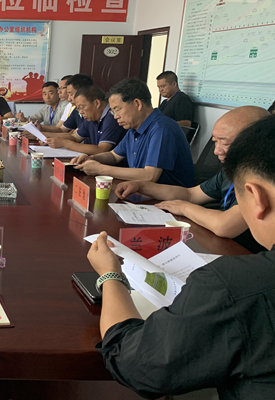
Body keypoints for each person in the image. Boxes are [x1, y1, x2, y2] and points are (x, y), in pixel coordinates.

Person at [87, 114, 275, 399]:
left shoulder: (234, 287)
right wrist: (144, 187)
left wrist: (110, 274)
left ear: (256, 197)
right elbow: (191, 193)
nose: (216, 150)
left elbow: (135, 363)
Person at [115, 105, 269, 253]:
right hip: (221, 243)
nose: (216, 151)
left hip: (249, 253)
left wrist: (184, 208)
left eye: (225, 143)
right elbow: (191, 194)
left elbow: (224, 225)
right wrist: (141, 186)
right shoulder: (230, 171)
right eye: (215, 142)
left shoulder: (266, 179)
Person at [71, 78, 194, 187]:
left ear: (137, 104)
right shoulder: (133, 129)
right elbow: (113, 156)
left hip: (168, 200)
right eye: (113, 112)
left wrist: (101, 169)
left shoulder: (161, 128)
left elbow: (150, 175)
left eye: (117, 109)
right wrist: (90, 159)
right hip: (139, 191)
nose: (115, 116)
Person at [43, 85, 127, 156]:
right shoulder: (91, 118)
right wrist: (50, 139)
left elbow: (102, 149)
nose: (80, 112)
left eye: (82, 107)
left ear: (97, 103)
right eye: (78, 109)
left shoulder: (112, 117)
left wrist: (65, 143)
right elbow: (75, 137)